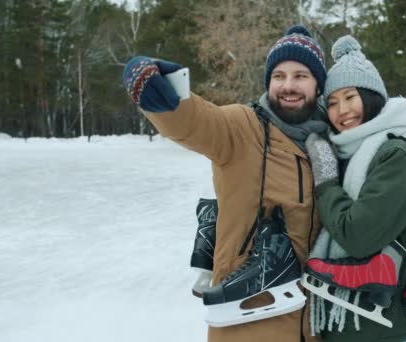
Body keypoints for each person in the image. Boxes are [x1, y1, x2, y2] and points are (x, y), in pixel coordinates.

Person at [122, 25, 328, 342]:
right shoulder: (242, 127)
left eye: (301, 76)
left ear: (318, 85)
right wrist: (165, 97)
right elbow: (198, 121)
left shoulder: (329, 144)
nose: (288, 85)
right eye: (279, 76)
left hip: (313, 326)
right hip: (248, 323)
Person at [303, 35, 406, 342]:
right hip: (341, 326)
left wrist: (327, 181)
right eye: (332, 103)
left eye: (350, 97)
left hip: (383, 331)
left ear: (371, 96)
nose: (341, 110)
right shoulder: (345, 152)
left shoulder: (393, 154)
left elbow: (358, 236)